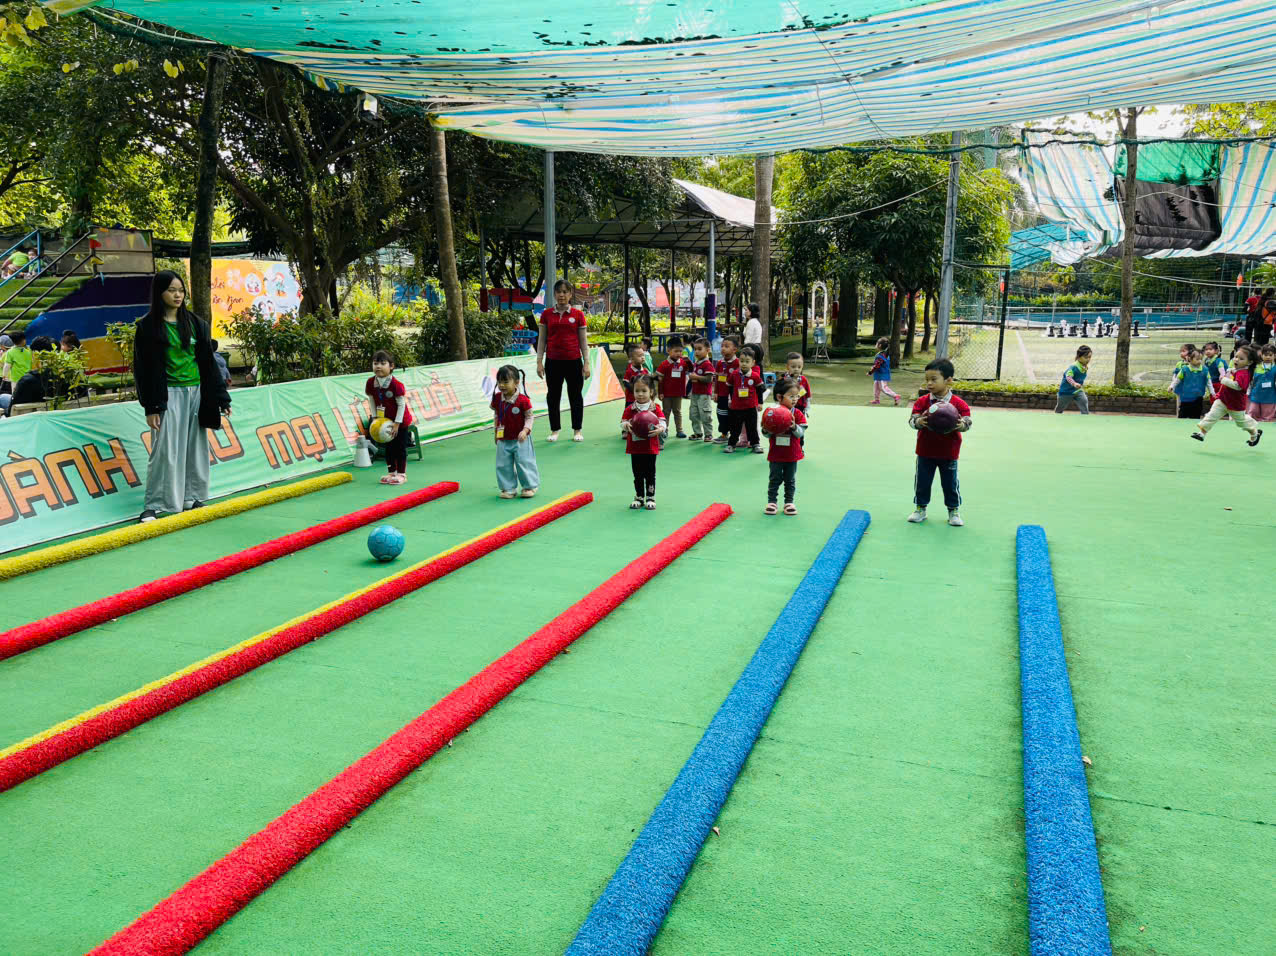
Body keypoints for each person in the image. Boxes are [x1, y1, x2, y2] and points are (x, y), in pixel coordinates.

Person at [133, 270, 232, 521]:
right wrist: (151, 407)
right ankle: (155, 504)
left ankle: (191, 497)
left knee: (194, 448)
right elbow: (143, 370)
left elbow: (208, 364)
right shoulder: (147, 327)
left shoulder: (196, 324)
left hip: (196, 393)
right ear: (160, 293)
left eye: (181, 290)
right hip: (167, 395)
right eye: (171, 290)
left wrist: (222, 398)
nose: (178, 295)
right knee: (165, 451)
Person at [907, 358, 972, 527]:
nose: (929, 383)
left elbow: (967, 421)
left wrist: (962, 425)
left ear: (948, 380)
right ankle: (920, 509)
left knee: (950, 484)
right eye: (927, 379)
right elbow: (912, 420)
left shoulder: (958, 403)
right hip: (925, 451)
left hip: (948, 453)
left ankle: (953, 511)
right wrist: (918, 422)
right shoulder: (922, 402)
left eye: (933, 379)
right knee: (922, 482)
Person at [535, 279, 590, 443]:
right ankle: (555, 430)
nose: (562, 295)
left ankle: (577, 430)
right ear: (554, 294)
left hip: (574, 361)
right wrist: (539, 362)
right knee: (553, 397)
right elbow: (542, 340)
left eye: (565, 292)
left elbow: (583, 342)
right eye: (558, 292)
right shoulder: (546, 315)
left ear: (570, 294)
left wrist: (586, 363)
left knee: (575, 396)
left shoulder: (578, 315)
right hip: (553, 362)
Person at [1192, 344, 1262, 446]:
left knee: (1241, 422)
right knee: (1212, 415)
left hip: (1235, 404)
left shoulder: (1244, 373)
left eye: (1241, 359)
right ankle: (1202, 434)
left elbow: (1238, 386)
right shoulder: (1234, 369)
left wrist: (1224, 380)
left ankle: (1255, 433)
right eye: (1236, 357)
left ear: (1250, 362)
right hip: (1223, 399)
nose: (1236, 360)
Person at [365, 349, 414, 485]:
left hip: (400, 422)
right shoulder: (370, 382)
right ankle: (391, 472)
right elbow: (371, 400)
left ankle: (402, 474)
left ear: (391, 366)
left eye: (382, 363)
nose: (378, 366)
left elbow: (401, 405)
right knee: (389, 448)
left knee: (400, 448)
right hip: (384, 422)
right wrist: (375, 418)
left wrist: (397, 424)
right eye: (375, 363)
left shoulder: (396, 385)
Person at [491, 363, 539, 499]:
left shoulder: (523, 400)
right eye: (499, 382)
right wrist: (496, 432)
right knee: (503, 464)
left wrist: (525, 430)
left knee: (524, 462)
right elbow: (496, 415)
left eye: (506, 382)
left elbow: (529, 417)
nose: (502, 385)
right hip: (503, 438)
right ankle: (508, 489)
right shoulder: (497, 398)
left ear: (517, 382)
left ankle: (529, 486)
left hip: (521, 439)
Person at [620, 374, 666, 510]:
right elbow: (622, 422)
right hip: (635, 447)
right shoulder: (630, 408)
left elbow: (663, 422)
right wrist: (625, 425)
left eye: (644, 391)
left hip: (650, 447)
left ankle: (650, 497)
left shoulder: (655, 408)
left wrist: (660, 429)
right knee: (637, 473)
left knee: (650, 473)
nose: (640, 394)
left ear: (651, 392)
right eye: (637, 391)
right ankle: (639, 496)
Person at [764, 376, 808, 516]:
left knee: (790, 479)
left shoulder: (798, 414)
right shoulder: (771, 412)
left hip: (791, 454)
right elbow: (766, 434)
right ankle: (772, 502)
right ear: (779, 397)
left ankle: (789, 502)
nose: (795, 399)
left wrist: (794, 426)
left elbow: (800, 433)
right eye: (791, 396)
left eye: (797, 396)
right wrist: (767, 428)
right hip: (776, 454)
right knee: (774, 479)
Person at [724, 344, 763, 453]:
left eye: (747, 361)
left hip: (750, 407)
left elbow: (759, 389)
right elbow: (730, 387)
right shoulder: (734, 374)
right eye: (741, 361)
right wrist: (730, 400)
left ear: (753, 363)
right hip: (736, 407)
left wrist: (760, 403)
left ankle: (755, 444)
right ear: (738, 361)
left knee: (752, 427)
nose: (744, 364)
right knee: (735, 428)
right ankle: (731, 444)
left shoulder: (755, 376)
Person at [656, 335, 693, 438]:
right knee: (666, 412)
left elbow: (691, 369)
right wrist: (660, 392)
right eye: (676, 351)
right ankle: (664, 430)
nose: (679, 353)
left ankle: (679, 430)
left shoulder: (683, 363)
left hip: (678, 393)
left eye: (680, 351)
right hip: (667, 393)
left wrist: (688, 361)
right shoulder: (664, 364)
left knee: (677, 412)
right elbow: (660, 380)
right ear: (668, 350)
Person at [687, 337, 716, 442]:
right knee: (693, 414)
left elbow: (709, 379)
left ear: (707, 350)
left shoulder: (707, 364)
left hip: (704, 394)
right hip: (695, 393)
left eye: (700, 349)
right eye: (695, 349)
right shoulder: (696, 363)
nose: (697, 352)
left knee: (705, 415)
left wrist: (696, 377)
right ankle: (698, 433)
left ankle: (708, 434)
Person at [712, 335, 740, 444]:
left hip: (733, 396)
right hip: (722, 395)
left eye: (726, 346)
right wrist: (716, 392)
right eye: (722, 346)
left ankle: (734, 436)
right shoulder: (719, 363)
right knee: (721, 414)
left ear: (734, 350)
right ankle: (724, 434)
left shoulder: (738, 363)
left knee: (733, 416)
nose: (723, 348)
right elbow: (717, 379)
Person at [1172, 349, 1212, 420]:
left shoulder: (1205, 370)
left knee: (1195, 418)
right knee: (1182, 417)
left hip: (1198, 398)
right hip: (1185, 398)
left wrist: (1212, 392)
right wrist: (1172, 386)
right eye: (1197, 359)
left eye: (1201, 359)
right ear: (1190, 359)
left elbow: (1209, 382)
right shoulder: (1184, 369)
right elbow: (1177, 379)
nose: (1200, 361)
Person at [620, 341, 648, 437]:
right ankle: (625, 430)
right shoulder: (629, 371)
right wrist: (634, 390)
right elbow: (625, 382)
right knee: (628, 414)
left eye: (643, 355)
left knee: (641, 413)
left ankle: (640, 428)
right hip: (631, 399)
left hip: (642, 399)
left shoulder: (645, 371)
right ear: (631, 359)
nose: (643, 357)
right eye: (640, 356)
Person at [1056, 345, 1093, 414]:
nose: (1088, 359)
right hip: (1066, 391)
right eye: (1086, 357)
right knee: (1059, 409)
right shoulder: (1074, 367)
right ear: (1079, 356)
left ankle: (1085, 415)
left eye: (1089, 357)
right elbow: (1068, 377)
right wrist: (1074, 383)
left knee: (1084, 400)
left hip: (1077, 391)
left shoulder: (1084, 366)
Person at [1246, 344, 1276, 421]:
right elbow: (1251, 380)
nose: (1268, 357)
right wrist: (1248, 391)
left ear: (1274, 356)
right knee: (1252, 413)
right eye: (1265, 355)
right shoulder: (1256, 367)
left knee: (1267, 417)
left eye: (1270, 355)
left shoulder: (1275, 368)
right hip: (1255, 395)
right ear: (1261, 355)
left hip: (1270, 397)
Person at [868, 337, 901, 405]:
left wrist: (870, 372)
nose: (876, 344)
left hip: (882, 375)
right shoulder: (883, 354)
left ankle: (895, 396)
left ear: (879, 345)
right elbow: (878, 365)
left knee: (883, 388)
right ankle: (876, 400)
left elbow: (877, 366)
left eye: (876, 343)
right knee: (876, 387)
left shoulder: (881, 356)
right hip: (879, 375)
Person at [1, 330, 32, 396]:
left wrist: (4, 375)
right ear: (23, 340)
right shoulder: (28, 351)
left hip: (15, 378)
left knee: (15, 394)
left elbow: (7, 365)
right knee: (26, 393)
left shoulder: (10, 352)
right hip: (27, 376)